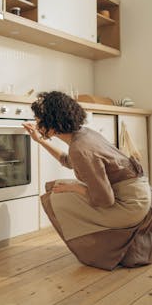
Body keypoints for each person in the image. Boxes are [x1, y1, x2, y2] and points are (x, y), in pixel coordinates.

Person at [23, 91, 152, 270]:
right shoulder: (85, 134)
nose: (36, 123)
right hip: (139, 196)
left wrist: (75, 187)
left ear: (52, 124)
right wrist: (40, 141)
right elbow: (69, 161)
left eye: (39, 119)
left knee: (58, 197)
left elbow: (105, 200)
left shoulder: (80, 148)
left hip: (130, 206)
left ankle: (98, 251)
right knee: (62, 187)